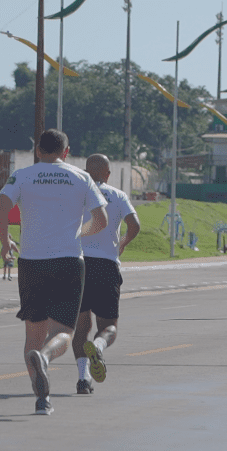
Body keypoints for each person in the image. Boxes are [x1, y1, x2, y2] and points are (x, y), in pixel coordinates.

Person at [0, 129, 108, 415]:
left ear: (38, 151)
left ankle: (42, 399)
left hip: (31, 262)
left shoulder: (22, 175)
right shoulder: (82, 177)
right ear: (66, 152)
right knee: (64, 334)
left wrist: (5, 242)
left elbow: (0, 211)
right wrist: (80, 233)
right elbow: (101, 220)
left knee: (33, 335)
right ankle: (45, 357)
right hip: (68, 260)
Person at [72, 154, 140, 395]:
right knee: (108, 326)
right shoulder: (118, 195)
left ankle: (83, 379)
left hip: (77, 264)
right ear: (108, 174)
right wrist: (122, 242)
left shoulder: (77, 193)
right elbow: (135, 225)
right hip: (106, 265)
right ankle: (99, 346)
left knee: (81, 328)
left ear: (85, 171)